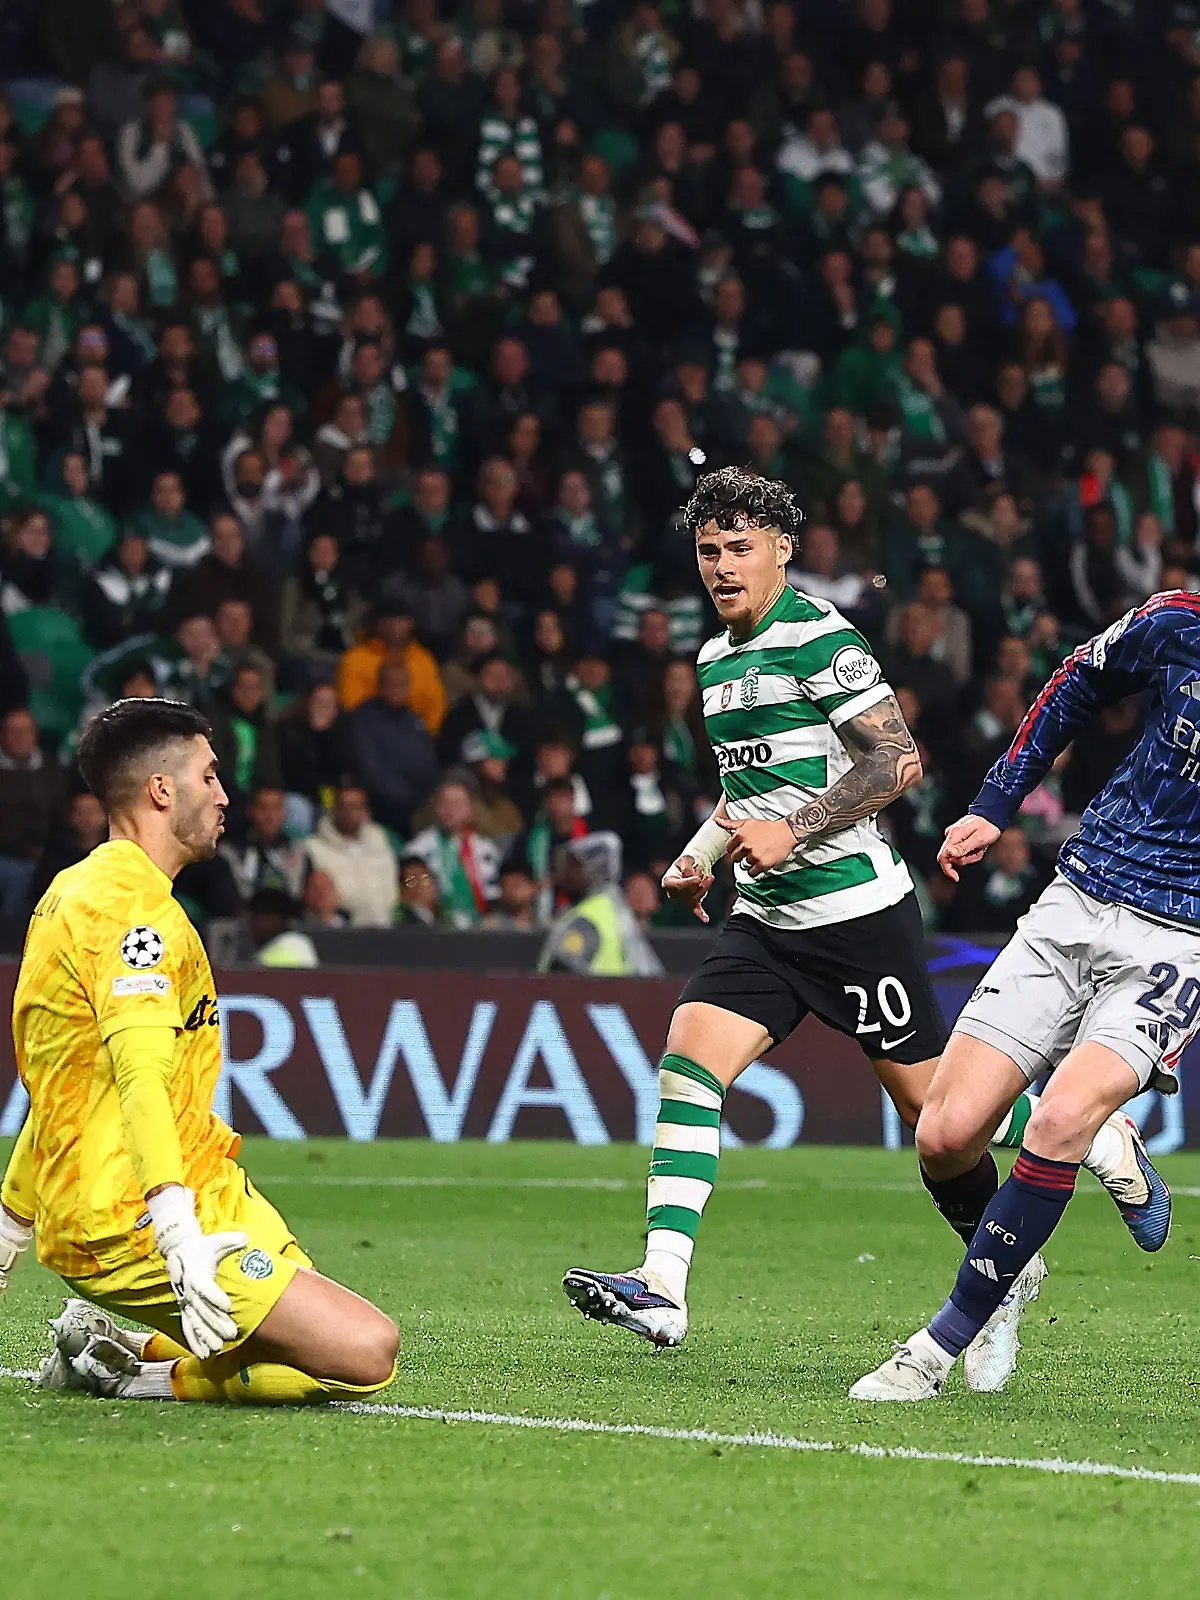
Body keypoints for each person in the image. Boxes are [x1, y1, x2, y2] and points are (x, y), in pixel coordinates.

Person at [562, 467, 1159, 1382]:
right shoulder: (715, 662)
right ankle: (663, 1283)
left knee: (938, 1119)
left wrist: (792, 828)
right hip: (767, 920)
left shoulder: (818, 640)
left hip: (855, 917)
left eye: (740, 548)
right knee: (689, 1055)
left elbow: (898, 760)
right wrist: (702, 854)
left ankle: (1087, 1152)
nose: (722, 566)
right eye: (709, 550)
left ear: (782, 550)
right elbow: (742, 794)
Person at [0, 698, 397, 1404]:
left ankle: (115, 1346)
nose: (224, 795)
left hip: (206, 1185)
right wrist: (176, 1231)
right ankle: (139, 1375)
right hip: (132, 1214)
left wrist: (10, 1226)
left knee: (297, 1347)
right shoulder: (137, 918)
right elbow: (138, 1077)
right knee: (363, 1355)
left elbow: (64, 1077)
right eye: (209, 776)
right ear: (162, 790)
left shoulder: (72, 891)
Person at [852, 594, 1189, 1402]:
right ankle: (1019, 1263)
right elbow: (1076, 680)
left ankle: (932, 1351)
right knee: (943, 1132)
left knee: (1057, 1118)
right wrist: (995, 806)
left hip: (1181, 939)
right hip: (1078, 895)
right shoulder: (1179, 622)